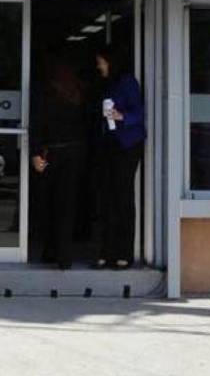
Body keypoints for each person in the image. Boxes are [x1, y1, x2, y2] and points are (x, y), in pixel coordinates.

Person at [30, 60, 89, 270]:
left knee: (49, 204)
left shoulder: (47, 94)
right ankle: (64, 255)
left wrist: (35, 152)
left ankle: (51, 250)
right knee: (67, 205)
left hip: (52, 153)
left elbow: (38, 123)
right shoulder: (79, 94)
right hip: (74, 153)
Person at [94, 48, 145, 270]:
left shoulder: (128, 83)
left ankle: (124, 253)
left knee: (122, 197)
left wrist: (122, 116)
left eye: (101, 62)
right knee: (106, 198)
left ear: (111, 62)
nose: (99, 66)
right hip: (109, 143)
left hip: (127, 144)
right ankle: (106, 251)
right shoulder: (107, 84)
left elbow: (139, 112)